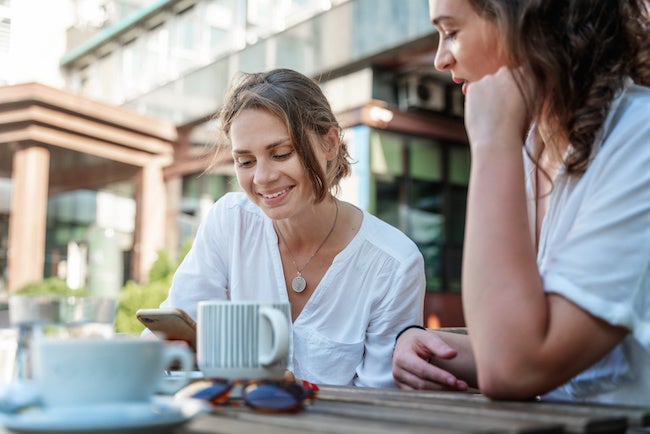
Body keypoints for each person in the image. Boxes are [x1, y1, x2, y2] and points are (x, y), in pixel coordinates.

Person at [392, 0, 650, 406]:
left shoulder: (640, 139)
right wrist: (425, 344)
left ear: (528, 24)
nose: (440, 59)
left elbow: (513, 366)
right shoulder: (533, 145)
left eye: (452, 31)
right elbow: (519, 342)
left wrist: (493, 140)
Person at [153, 68, 426, 388]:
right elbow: (180, 327)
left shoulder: (393, 264)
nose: (263, 178)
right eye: (246, 162)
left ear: (330, 143)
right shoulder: (229, 221)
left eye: (281, 154)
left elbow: (382, 404)